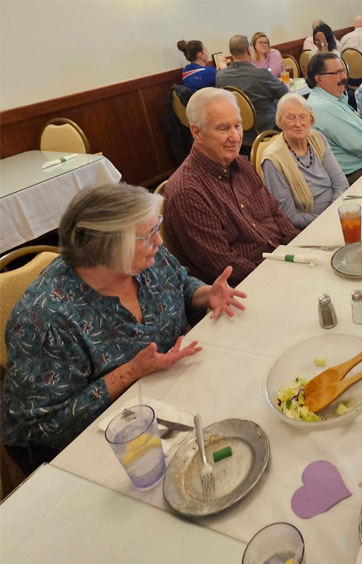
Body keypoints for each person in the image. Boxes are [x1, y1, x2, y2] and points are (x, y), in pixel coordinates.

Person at [1, 183, 247, 468]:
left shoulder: (148, 259)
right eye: (149, 235)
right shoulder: (45, 319)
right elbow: (38, 429)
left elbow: (180, 284)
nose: (159, 241)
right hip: (91, 448)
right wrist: (131, 371)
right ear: (109, 247)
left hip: (168, 396)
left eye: (156, 228)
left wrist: (206, 294)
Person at [165, 88, 299, 286]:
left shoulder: (240, 163)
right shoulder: (187, 193)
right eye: (223, 129)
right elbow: (224, 266)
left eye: (237, 125)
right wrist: (284, 277)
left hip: (282, 263)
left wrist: (298, 250)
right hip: (250, 287)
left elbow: (274, 213)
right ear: (196, 132)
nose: (236, 137)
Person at [259, 94, 347, 229]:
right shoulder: (273, 159)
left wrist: (335, 213)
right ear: (280, 122)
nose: (298, 124)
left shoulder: (317, 138)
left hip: (337, 212)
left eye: (303, 117)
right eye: (290, 118)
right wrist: (328, 220)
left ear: (311, 119)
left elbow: (341, 183)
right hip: (309, 227)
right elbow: (289, 216)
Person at [306, 53, 362, 184]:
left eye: (343, 71)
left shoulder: (330, 99)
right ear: (319, 78)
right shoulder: (326, 107)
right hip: (357, 174)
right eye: (337, 73)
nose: (343, 77)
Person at [215, 34, 288, 144]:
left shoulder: (220, 76)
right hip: (266, 129)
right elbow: (284, 92)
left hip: (236, 130)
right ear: (248, 50)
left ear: (230, 52)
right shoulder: (262, 74)